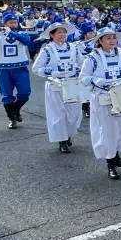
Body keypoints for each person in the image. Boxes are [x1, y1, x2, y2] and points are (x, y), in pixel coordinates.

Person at [79, 28, 121, 180]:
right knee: (108, 131)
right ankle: (110, 163)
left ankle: (116, 151)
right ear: (100, 41)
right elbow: (83, 77)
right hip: (102, 98)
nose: (112, 40)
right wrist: (95, 80)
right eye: (108, 38)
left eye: (113, 37)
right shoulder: (92, 58)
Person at [32, 23, 82, 154]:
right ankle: (62, 140)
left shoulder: (73, 48)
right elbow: (36, 68)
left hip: (72, 84)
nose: (62, 35)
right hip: (55, 85)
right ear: (52, 35)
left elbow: (82, 63)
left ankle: (69, 134)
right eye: (59, 32)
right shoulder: (46, 50)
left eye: (64, 32)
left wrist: (79, 70)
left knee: (75, 114)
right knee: (58, 114)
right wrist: (51, 71)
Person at [0, 12, 32, 129]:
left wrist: (10, 32)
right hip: (3, 69)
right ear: (5, 23)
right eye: (10, 22)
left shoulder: (22, 32)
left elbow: (26, 41)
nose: (14, 24)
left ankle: (15, 110)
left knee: (25, 93)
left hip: (20, 68)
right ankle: (12, 118)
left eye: (15, 22)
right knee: (6, 95)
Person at [73, 22, 96, 118]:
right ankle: (86, 106)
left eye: (93, 32)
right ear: (85, 34)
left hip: (94, 69)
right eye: (90, 33)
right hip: (81, 69)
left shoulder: (97, 43)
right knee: (84, 88)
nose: (92, 34)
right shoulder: (77, 45)